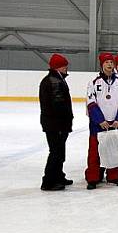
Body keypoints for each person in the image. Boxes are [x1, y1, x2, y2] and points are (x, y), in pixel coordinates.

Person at [85, 52, 118, 189]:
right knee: (94, 153)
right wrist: (100, 120)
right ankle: (93, 177)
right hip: (98, 125)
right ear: (101, 65)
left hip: (116, 123)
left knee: (114, 150)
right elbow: (91, 103)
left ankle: (114, 176)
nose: (109, 65)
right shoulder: (93, 83)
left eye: (111, 62)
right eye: (106, 62)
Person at [39, 54, 73, 191]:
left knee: (59, 151)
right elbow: (58, 105)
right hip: (56, 124)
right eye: (65, 65)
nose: (67, 68)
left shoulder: (56, 79)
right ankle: (48, 181)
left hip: (55, 123)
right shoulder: (54, 81)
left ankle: (58, 176)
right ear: (60, 66)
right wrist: (64, 123)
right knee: (56, 152)